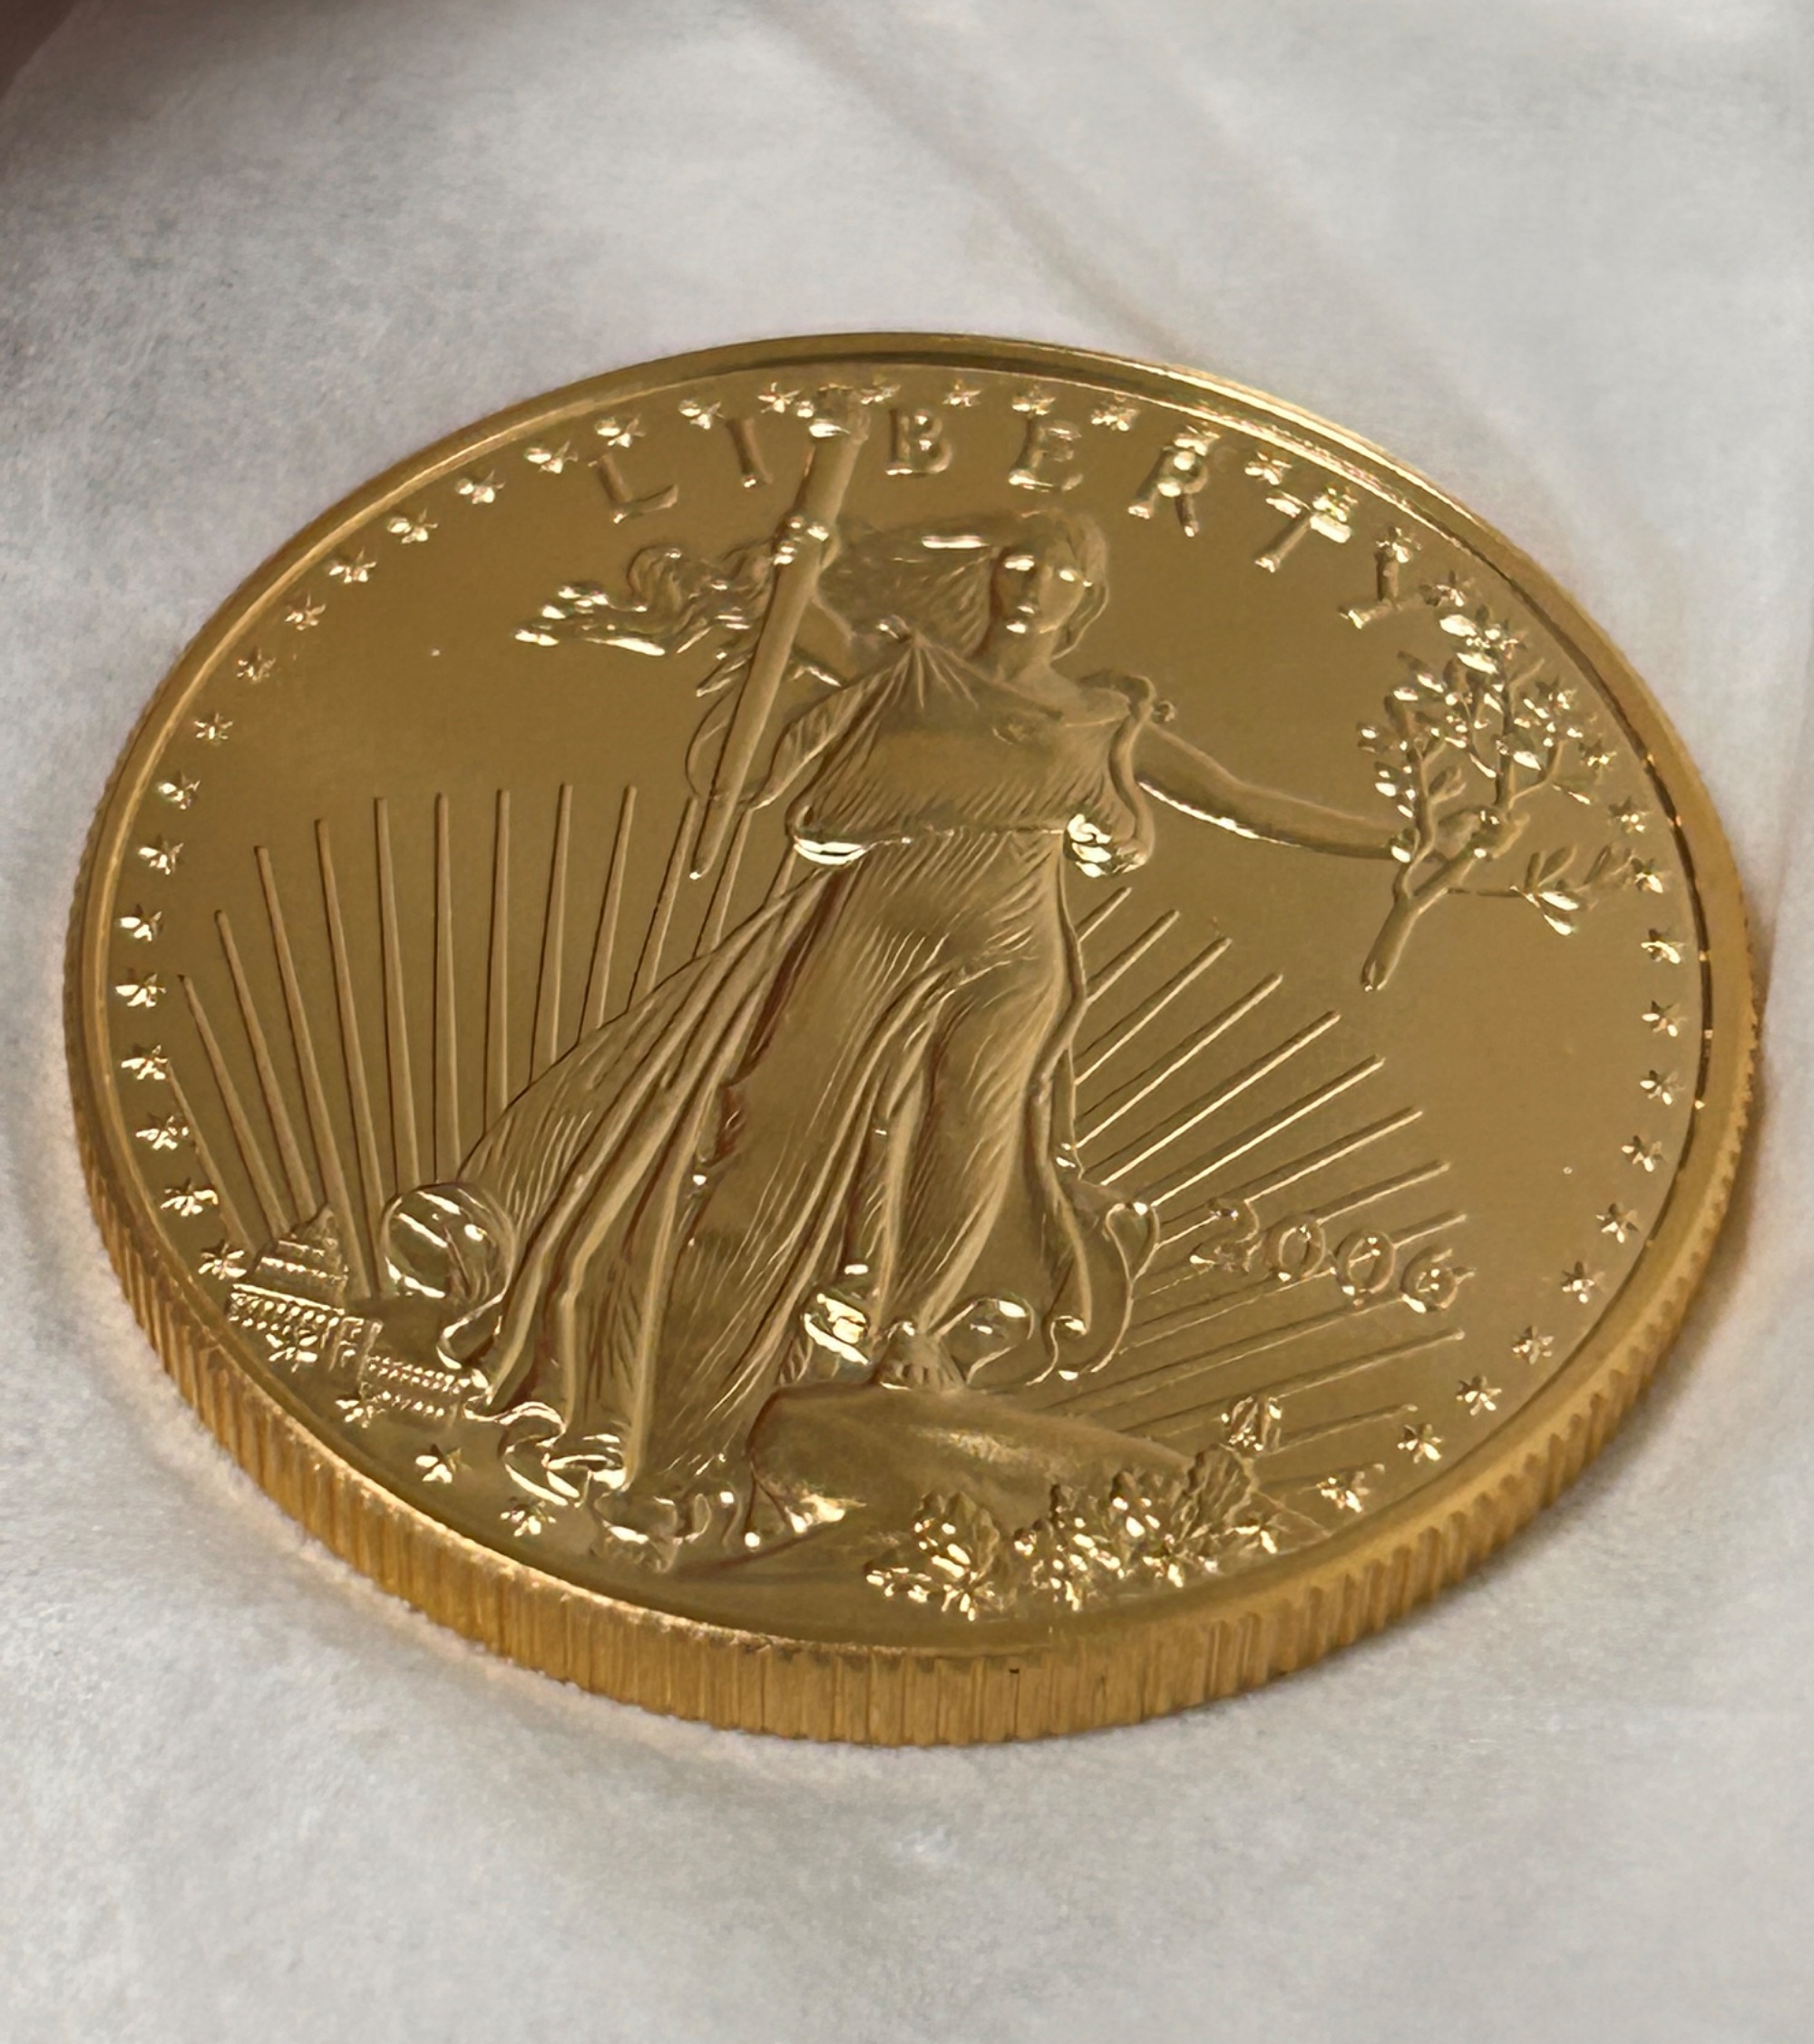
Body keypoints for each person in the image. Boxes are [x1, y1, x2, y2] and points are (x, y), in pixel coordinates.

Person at [382, 507, 1393, 1534]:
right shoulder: (908, 674)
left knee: (970, 1137)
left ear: (1087, 600)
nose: (1031, 582)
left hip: (1012, 953)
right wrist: (783, 590)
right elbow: (775, 703)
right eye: (1016, 562)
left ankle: (909, 1328)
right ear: (990, 576)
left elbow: (1239, 799)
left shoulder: (1101, 722)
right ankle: (671, 1409)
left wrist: (1398, 842)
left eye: (1057, 571)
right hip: (872, 928)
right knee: (771, 1133)